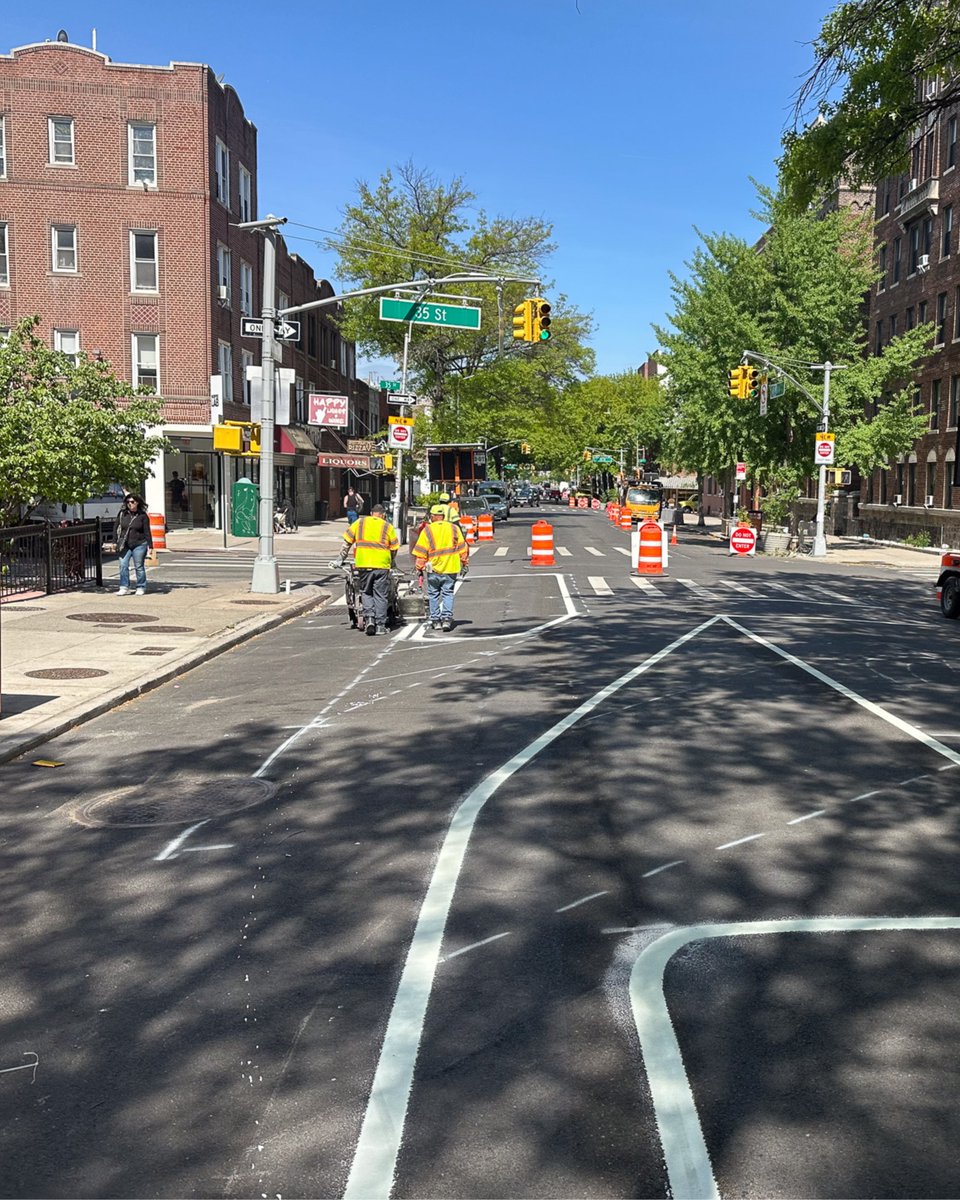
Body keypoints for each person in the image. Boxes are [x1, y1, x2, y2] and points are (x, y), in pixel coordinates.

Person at [336, 502, 400, 635]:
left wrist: (340, 559)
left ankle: (369, 619)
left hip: (363, 564)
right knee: (381, 595)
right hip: (381, 566)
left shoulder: (359, 523)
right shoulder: (387, 526)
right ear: (383, 515)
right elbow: (394, 547)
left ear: (371, 513)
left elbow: (347, 542)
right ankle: (380, 625)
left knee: (366, 592)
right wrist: (392, 561)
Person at [412, 504, 469, 632]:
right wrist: (465, 563)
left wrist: (419, 568)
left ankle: (436, 620)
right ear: (443, 516)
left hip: (433, 569)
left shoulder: (427, 530)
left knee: (433, 594)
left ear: (432, 516)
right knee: (448, 593)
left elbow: (421, 552)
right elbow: (462, 548)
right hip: (450, 567)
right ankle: (446, 620)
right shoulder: (454, 528)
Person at [115, 492, 153, 596]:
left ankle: (141, 586)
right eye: (128, 502)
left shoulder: (142, 516)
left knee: (139, 566)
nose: (130, 504)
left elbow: (147, 531)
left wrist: (151, 546)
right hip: (125, 544)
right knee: (123, 565)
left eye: (132, 502)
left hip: (139, 544)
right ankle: (124, 586)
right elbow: (116, 528)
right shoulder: (123, 514)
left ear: (137, 503)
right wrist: (114, 542)